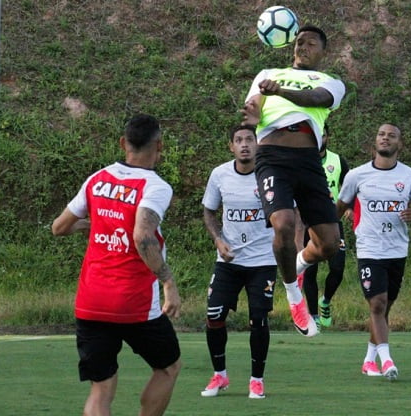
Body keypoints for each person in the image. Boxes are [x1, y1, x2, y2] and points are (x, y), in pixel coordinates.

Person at [51, 114, 182, 416]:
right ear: (159, 145)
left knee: (102, 386)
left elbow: (59, 227)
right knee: (168, 367)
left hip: (91, 300)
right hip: (133, 303)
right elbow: (142, 234)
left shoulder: (97, 179)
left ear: (123, 143)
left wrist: (93, 225)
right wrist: (168, 282)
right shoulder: (155, 186)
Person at [241, 25, 346, 337]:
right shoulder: (267, 73)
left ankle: (298, 264)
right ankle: (292, 294)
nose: (303, 46)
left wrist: (280, 91)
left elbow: (316, 98)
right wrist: (250, 114)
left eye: (311, 42)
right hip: (272, 157)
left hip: (309, 161)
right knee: (284, 223)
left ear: (323, 52)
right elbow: (255, 108)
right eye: (299, 41)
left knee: (327, 245)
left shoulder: (331, 82)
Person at [336, 123, 411, 381]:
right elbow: (339, 207)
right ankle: (387, 361)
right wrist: (329, 236)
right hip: (370, 249)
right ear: (375, 141)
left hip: (397, 250)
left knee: (383, 309)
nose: (386, 139)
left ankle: (369, 360)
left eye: (392, 136)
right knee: (377, 304)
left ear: (399, 144)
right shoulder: (357, 176)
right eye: (381, 134)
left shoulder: (408, 176)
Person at [200, 125, 276, 399]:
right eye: (239, 140)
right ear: (231, 146)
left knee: (258, 319)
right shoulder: (220, 175)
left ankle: (257, 380)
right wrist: (218, 239)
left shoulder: (270, 175)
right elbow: (209, 211)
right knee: (214, 316)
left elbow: (289, 211)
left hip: (263, 261)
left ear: (258, 144)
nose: (245, 144)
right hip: (229, 261)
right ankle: (220, 375)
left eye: (249, 139)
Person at [297, 124, 351, 328]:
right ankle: (313, 317)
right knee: (310, 271)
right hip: (308, 221)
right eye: (315, 134)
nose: (319, 137)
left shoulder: (338, 161)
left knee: (337, 269)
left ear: (328, 136)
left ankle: (326, 301)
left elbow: (349, 189)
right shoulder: (301, 161)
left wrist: (349, 208)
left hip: (332, 220)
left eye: (323, 134)